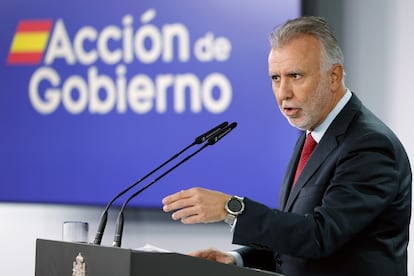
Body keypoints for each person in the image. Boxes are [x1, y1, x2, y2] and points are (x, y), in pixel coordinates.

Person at [162, 16, 412, 276]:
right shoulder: (311, 137)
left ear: (334, 76)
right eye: (275, 78)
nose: (283, 92)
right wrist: (237, 259)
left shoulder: (370, 145)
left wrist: (232, 209)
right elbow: (296, 238)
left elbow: (321, 236)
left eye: (295, 76)